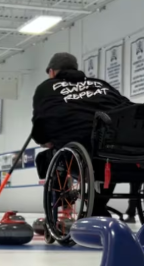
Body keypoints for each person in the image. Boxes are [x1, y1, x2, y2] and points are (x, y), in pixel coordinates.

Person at [32, 52, 136, 218]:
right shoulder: (101, 84)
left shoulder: (46, 87)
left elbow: (40, 124)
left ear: (51, 72)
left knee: (45, 158)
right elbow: (128, 107)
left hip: (77, 154)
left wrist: (44, 140)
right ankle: (98, 206)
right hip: (113, 152)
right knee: (107, 153)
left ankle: (61, 199)